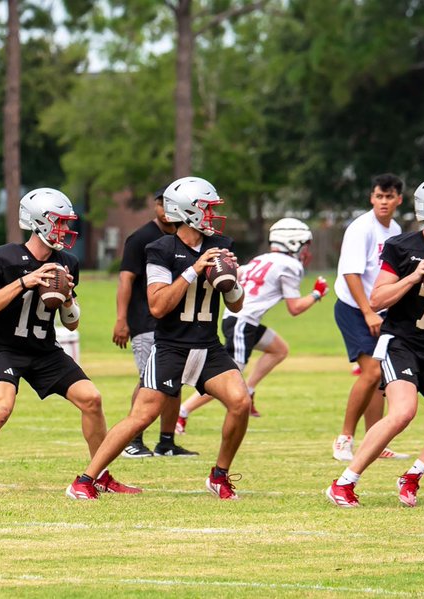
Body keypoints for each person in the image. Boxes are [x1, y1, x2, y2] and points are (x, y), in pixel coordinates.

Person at [0, 188, 138, 496]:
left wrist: (68, 298)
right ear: (39, 221)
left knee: (92, 399)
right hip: (7, 348)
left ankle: (98, 476)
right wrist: (24, 281)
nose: (66, 229)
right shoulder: (3, 257)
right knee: (1, 410)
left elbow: (71, 322)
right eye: (60, 222)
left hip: (45, 351)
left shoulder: (67, 262)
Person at [66, 176, 249, 501]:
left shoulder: (222, 244)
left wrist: (232, 280)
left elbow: (236, 305)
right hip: (171, 347)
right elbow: (158, 305)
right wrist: (193, 270)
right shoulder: (161, 249)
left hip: (208, 346)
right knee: (141, 417)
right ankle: (85, 479)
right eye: (207, 208)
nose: (212, 215)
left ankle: (219, 476)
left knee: (241, 402)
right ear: (188, 211)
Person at [326, 175, 424, 508]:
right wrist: (413, 277)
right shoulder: (401, 246)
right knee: (402, 412)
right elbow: (377, 299)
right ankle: (343, 483)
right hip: (401, 343)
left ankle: (412, 476)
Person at [176, 218, 328, 425]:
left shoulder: (262, 259)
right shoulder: (290, 265)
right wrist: (317, 294)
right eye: (304, 245)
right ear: (293, 243)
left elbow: (237, 273)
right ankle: (183, 412)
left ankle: (249, 389)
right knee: (229, 375)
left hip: (240, 319)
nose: (306, 251)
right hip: (242, 321)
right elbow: (295, 308)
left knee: (279, 349)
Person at [113, 191, 197, 458]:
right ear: (156, 206)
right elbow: (126, 280)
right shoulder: (141, 238)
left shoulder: (185, 238)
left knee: (174, 382)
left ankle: (166, 443)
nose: (165, 209)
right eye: (162, 204)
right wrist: (121, 319)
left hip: (173, 324)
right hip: (145, 320)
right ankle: (133, 441)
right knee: (149, 381)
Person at [331, 174, 408, 462]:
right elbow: (350, 273)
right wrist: (367, 312)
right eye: (379, 196)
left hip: (380, 310)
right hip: (354, 308)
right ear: (371, 198)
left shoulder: (395, 230)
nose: (383, 202)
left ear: (399, 200)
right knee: (373, 372)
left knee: (381, 377)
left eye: (389, 197)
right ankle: (344, 439)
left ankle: (375, 443)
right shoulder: (361, 228)